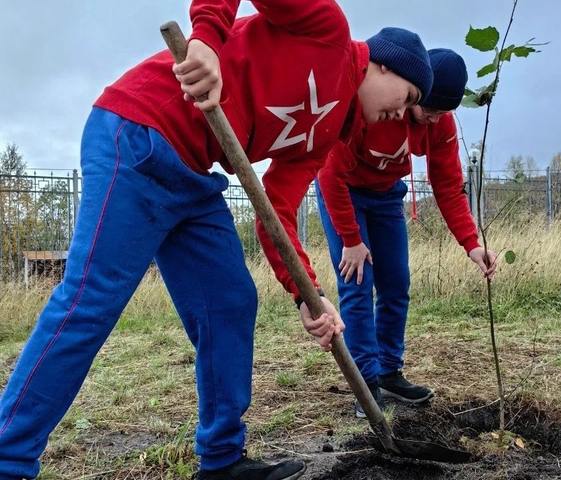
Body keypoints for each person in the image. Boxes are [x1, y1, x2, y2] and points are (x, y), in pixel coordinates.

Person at [0, 0, 434, 477]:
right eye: (409, 95)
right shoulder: (326, 28)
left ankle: (222, 459)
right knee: (92, 299)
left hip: (193, 170)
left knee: (230, 300)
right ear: (382, 63)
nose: (407, 112)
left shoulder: (327, 137)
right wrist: (206, 39)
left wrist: (308, 296)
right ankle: (9, 458)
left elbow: (278, 211)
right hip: (140, 130)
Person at [316, 48, 498, 418]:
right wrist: (351, 239)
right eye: (428, 109)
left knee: (397, 283)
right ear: (416, 90)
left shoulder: (439, 124)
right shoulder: (378, 105)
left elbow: (447, 185)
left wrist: (471, 244)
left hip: (385, 197)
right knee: (357, 283)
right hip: (344, 192)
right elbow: (329, 173)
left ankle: (389, 372)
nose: (432, 120)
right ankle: (365, 385)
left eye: (442, 114)